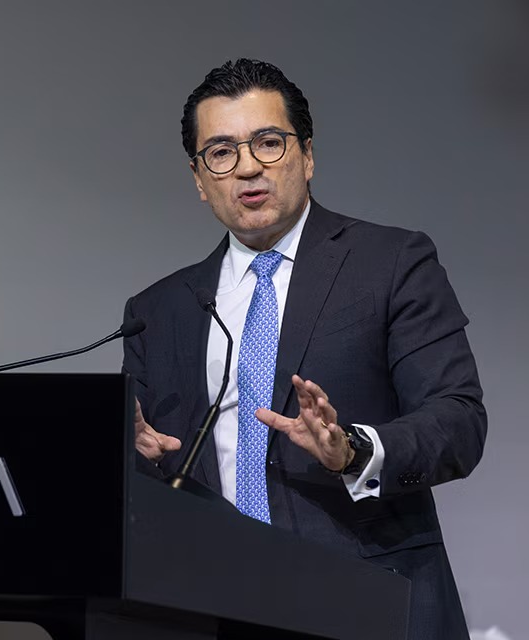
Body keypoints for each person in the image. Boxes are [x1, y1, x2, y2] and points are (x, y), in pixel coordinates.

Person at [122, 59, 487, 639]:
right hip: (210, 608)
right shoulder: (157, 311)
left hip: (366, 603)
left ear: (307, 155)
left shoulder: (390, 264)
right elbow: (152, 478)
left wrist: (352, 450)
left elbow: (458, 421)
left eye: (268, 143)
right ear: (198, 178)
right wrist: (136, 460)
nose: (247, 167)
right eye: (221, 152)